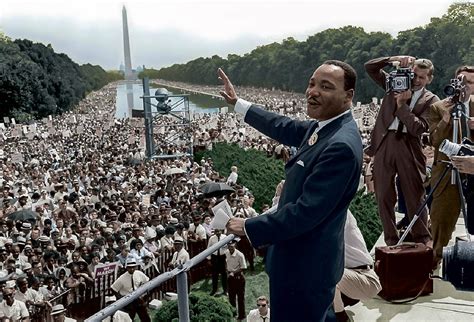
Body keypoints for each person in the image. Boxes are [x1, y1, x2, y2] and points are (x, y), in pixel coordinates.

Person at [220, 59, 363, 321]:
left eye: (326, 86)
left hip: (305, 269)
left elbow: (306, 212)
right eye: (311, 84)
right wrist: (238, 104)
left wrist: (250, 226)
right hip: (301, 262)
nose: (313, 91)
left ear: (348, 96)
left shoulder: (340, 145)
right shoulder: (326, 127)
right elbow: (282, 126)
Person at [365, 55, 439, 246]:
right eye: (414, 75)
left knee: (414, 194)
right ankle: (391, 239)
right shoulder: (394, 84)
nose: (415, 80)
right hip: (385, 142)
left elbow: (419, 128)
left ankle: (421, 239)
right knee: (383, 195)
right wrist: (392, 59)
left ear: (429, 79)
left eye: (421, 77)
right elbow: (370, 67)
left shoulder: (432, 100)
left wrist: (401, 105)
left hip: (409, 145)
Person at [429, 65, 474, 267]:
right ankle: (435, 258)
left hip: (472, 171)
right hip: (446, 172)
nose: (465, 87)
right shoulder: (438, 107)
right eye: (462, 81)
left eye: (471, 82)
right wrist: (446, 119)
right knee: (441, 219)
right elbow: (434, 141)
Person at [333, 210, 381, 321]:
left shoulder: (340, 216)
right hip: (350, 275)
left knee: (327, 274)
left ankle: (341, 318)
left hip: (365, 278)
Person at [224, 240, 247, 321]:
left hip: (239, 278)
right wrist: (227, 271)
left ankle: (242, 315)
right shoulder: (226, 252)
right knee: (231, 297)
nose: (230, 248)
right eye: (229, 246)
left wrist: (233, 272)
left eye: (232, 246)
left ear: (235, 245)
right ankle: (233, 313)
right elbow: (226, 261)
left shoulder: (240, 255)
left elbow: (243, 267)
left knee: (240, 298)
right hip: (230, 278)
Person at [207, 229, 227, 296]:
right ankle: (214, 290)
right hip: (215, 257)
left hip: (223, 257)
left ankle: (225, 290)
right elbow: (208, 248)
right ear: (214, 232)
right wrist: (209, 259)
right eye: (216, 231)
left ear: (221, 231)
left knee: (224, 274)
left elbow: (227, 247)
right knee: (214, 274)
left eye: (219, 231)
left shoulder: (225, 237)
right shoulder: (212, 238)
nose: (218, 233)